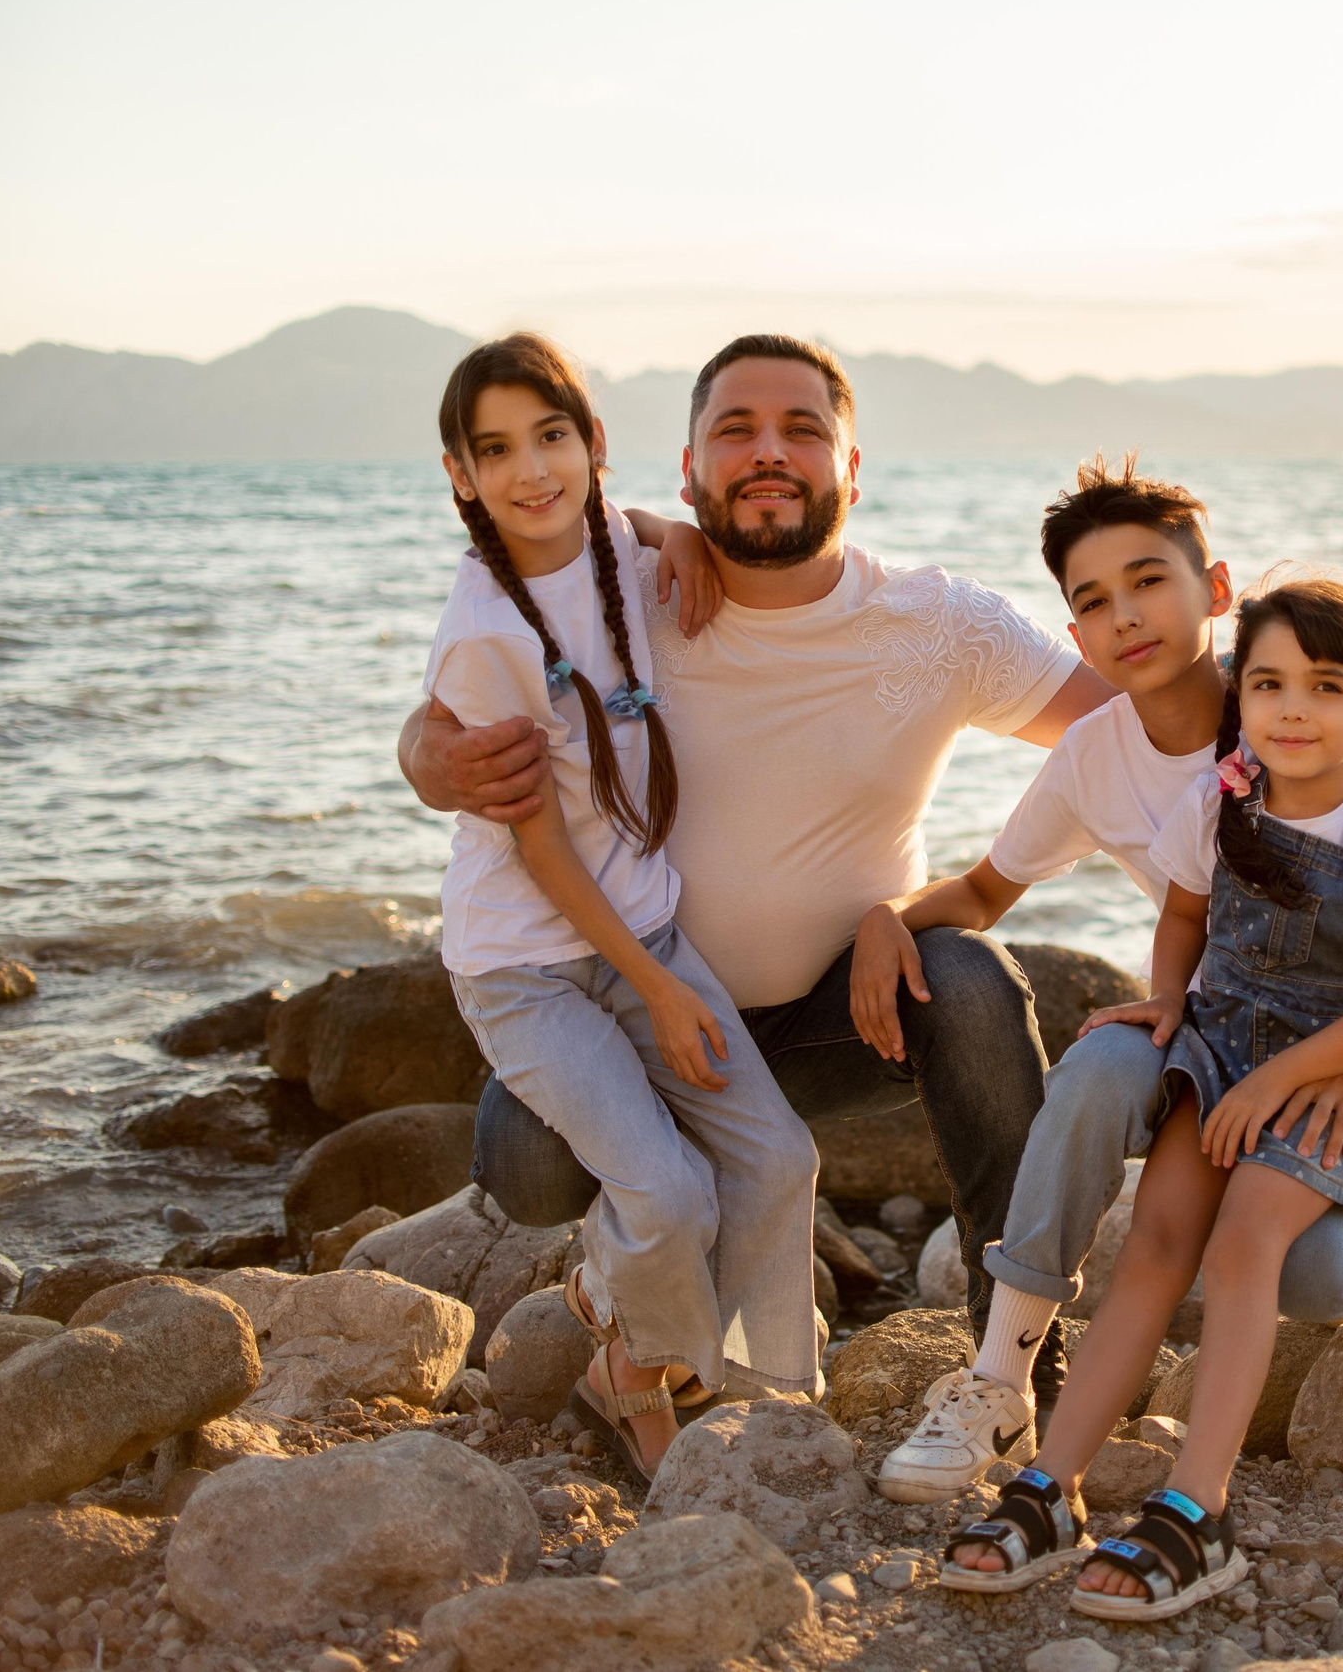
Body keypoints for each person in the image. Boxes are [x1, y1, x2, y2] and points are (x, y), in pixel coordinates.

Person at [398, 335, 1115, 1394]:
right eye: (735, 431)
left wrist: (946, 901)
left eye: (803, 430)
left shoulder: (939, 622)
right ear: (685, 474)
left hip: (835, 1023)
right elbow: (475, 665)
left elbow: (1131, 741)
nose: (768, 453)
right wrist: (425, 751)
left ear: (853, 469)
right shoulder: (622, 588)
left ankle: (1015, 1367)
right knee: (530, 1162)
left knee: (969, 984)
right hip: (632, 1013)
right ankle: (636, 1300)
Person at [861, 459, 1343, 1503]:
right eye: (1090, 601)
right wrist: (885, 918)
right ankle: (1000, 1376)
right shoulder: (1094, 755)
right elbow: (984, 887)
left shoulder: (1292, 705)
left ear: (1215, 590)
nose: (1124, 616)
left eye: (1148, 580)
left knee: (1318, 1284)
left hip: (1337, 1040)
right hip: (1203, 1025)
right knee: (1099, 1066)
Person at [938, 574, 1343, 1621]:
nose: (1290, 709)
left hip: (1325, 1080)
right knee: (1150, 1242)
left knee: (1241, 1248)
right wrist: (1167, 1004)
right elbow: (1186, 914)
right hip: (1218, 1049)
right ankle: (1050, 1485)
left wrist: (1283, 1077)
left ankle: (1198, 1508)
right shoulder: (1219, 800)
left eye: (1325, 688)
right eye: (1269, 683)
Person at [421, 334, 820, 1480]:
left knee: (779, 1159)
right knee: (666, 1190)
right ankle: (630, 1341)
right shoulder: (484, 634)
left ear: (593, 445)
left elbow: (619, 520)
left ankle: (750, 1381)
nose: (530, 470)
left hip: (641, 929)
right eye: (494, 450)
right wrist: (653, 985)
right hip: (530, 966)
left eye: (551, 437)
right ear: (459, 473)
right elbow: (538, 843)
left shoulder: (608, 536)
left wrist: (675, 528)